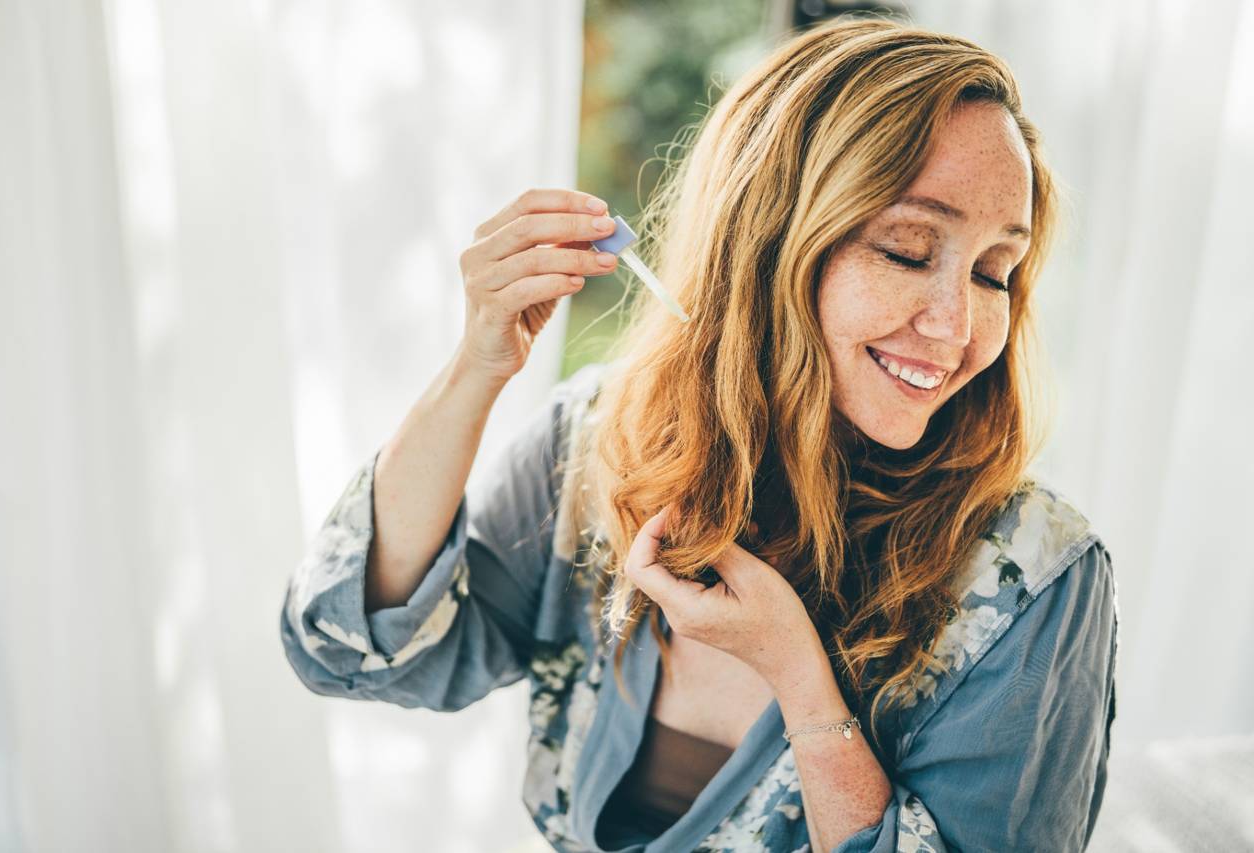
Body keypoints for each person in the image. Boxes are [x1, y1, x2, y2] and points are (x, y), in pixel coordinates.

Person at [279, 17, 1119, 853]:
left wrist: (800, 676)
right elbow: (351, 648)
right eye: (906, 249)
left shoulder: (1033, 582)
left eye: (992, 271)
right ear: (763, 244)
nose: (957, 324)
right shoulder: (599, 444)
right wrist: (477, 366)